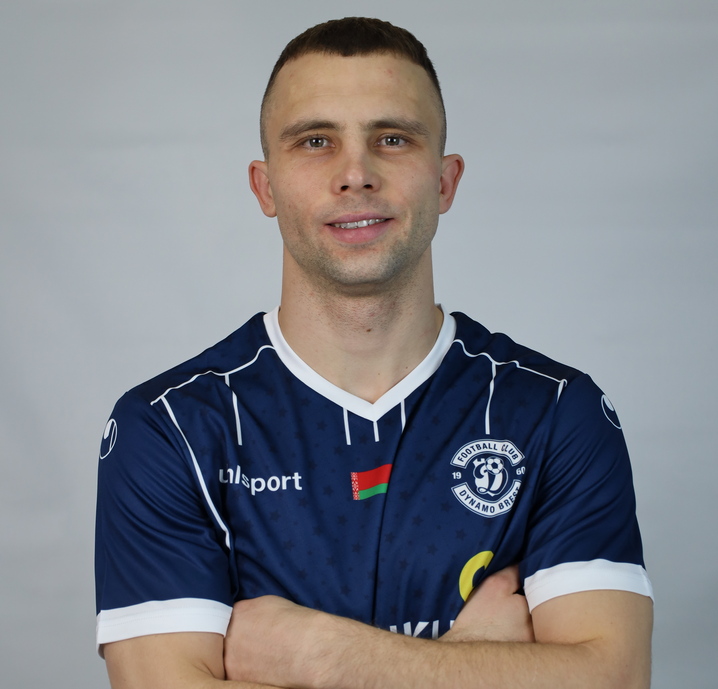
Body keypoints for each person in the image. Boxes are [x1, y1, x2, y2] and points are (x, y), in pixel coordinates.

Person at [95, 17, 654, 689]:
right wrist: (475, 661)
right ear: (265, 187)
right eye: (315, 141)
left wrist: (323, 655)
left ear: (444, 181)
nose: (355, 174)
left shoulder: (557, 412)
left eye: (392, 139)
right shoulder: (170, 428)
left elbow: (614, 679)